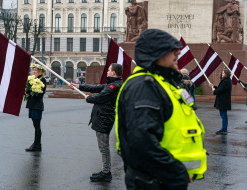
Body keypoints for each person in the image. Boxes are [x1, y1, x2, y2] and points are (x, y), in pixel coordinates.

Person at [116, 29, 207, 190]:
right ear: (155, 53)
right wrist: (176, 172)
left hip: (163, 179)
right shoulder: (143, 86)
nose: (178, 52)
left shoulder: (161, 83)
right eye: (171, 50)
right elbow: (142, 142)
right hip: (153, 182)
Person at [69, 63, 123, 182]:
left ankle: (106, 173)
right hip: (103, 117)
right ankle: (105, 170)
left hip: (104, 118)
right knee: (103, 146)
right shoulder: (112, 84)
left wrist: (89, 99)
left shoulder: (114, 86)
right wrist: (80, 86)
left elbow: (100, 97)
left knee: (103, 147)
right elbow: (96, 88)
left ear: (113, 73)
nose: (107, 72)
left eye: (109, 70)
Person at [25, 64, 47, 152]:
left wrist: (30, 92)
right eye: (33, 70)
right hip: (32, 105)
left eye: (35, 71)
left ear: (40, 72)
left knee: (37, 126)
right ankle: (36, 144)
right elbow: (28, 90)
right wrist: (26, 92)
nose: (33, 72)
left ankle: (37, 145)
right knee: (35, 125)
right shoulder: (33, 79)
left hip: (37, 106)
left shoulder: (43, 80)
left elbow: (40, 93)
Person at [209, 68, 232, 135]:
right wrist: (214, 86)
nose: (222, 74)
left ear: (227, 74)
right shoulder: (226, 80)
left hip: (223, 101)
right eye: (222, 73)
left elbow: (219, 90)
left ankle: (224, 130)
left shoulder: (226, 81)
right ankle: (223, 129)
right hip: (223, 100)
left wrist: (214, 90)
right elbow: (220, 88)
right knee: (223, 115)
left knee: (224, 115)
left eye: (224, 73)